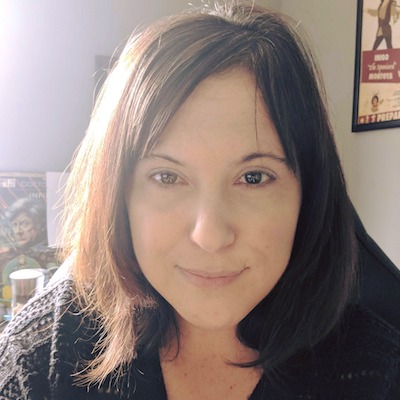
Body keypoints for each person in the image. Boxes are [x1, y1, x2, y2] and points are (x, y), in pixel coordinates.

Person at [0, 2, 399, 399]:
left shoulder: (379, 375)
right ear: (118, 194)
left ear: (308, 194)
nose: (209, 236)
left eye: (253, 177)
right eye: (167, 177)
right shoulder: (38, 358)